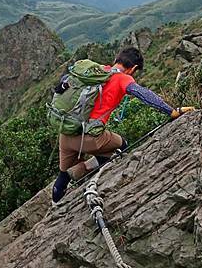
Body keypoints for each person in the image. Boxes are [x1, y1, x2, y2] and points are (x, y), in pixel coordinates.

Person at [52, 47, 194, 203]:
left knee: (63, 175)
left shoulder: (97, 71)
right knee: (122, 145)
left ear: (116, 60)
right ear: (133, 68)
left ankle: (55, 205)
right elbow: (144, 94)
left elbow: (66, 79)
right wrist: (172, 111)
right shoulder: (123, 79)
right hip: (90, 138)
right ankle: (83, 169)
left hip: (65, 132)